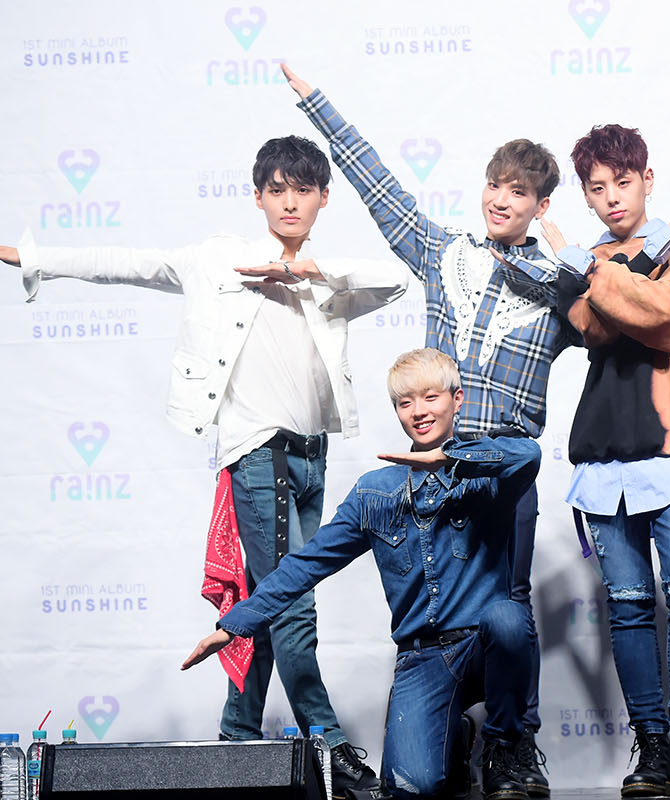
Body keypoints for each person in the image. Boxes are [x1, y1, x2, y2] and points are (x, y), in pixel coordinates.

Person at [1, 135, 405, 795]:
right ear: (258, 197)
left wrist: (311, 273)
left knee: (268, 600)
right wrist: (36, 258)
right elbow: (131, 263)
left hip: (312, 454)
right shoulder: (219, 259)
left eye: (303, 190)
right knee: (291, 602)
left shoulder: (326, 280)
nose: (290, 202)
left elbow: (397, 278)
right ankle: (330, 743)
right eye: (277, 189)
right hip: (260, 453)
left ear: (324, 199)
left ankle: (237, 736)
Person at [279, 63, 582, 796]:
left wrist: (576, 265)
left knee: (509, 610)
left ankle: (511, 746)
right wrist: (318, 103)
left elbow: (628, 323)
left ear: (541, 205)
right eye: (494, 185)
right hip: (431, 469)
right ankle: (442, 724)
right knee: (432, 604)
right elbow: (378, 184)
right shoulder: (446, 253)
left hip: (504, 469)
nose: (501, 199)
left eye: (519, 191)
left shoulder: (562, 288)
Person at [183, 347, 541, 800]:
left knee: (509, 618)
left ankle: (504, 746)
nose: (419, 411)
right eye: (405, 402)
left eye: (431, 398)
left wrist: (448, 459)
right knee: (411, 788)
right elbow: (307, 563)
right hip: (424, 658)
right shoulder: (375, 492)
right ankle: (453, 736)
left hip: (483, 645)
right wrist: (235, 623)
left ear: (457, 399)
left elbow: (528, 453)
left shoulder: (487, 475)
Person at [537, 124, 670, 798]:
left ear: (647, 180)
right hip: (604, 463)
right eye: (598, 187)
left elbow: (669, 314)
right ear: (586, 196)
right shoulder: (609, 258)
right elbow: (592, 326)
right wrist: (626, 272)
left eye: (623, 181)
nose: (613, 196)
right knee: (629, 609)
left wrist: (592, 271)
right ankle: (652, 747)